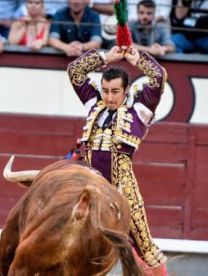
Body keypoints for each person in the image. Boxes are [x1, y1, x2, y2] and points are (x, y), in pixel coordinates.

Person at [67, 46, 168, 275]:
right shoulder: (94, 103)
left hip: (123, 187)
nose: (109, 97)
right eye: (105, 91)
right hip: (90, 183)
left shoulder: (140, 109)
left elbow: (158, 77)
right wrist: (104, 56)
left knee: (144, 243)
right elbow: (74, 71)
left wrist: (139, 59)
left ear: (126, 91)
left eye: (114, 92)